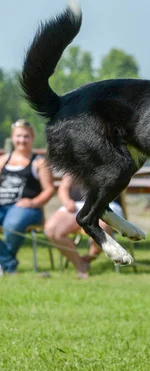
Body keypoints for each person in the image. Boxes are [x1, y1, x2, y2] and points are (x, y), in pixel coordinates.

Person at [44, 174, 125, 278]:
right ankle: (80, 264)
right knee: (52, 229)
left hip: (106, 204)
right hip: (76, 205)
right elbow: (63, 188)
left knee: (101, 227)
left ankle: (89, 258)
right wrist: (67, 202)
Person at [0, 119, 54, 275]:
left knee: (12, 225)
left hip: (27, 209)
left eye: (26, 136)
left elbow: (49, 189)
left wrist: (33, 202)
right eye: (18, 136)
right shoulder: (3, 160)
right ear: (13, 137)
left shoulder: (39, 162)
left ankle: (6, 266)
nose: (22, 140)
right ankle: (8, 262)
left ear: (32, 138)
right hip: (2, 206)